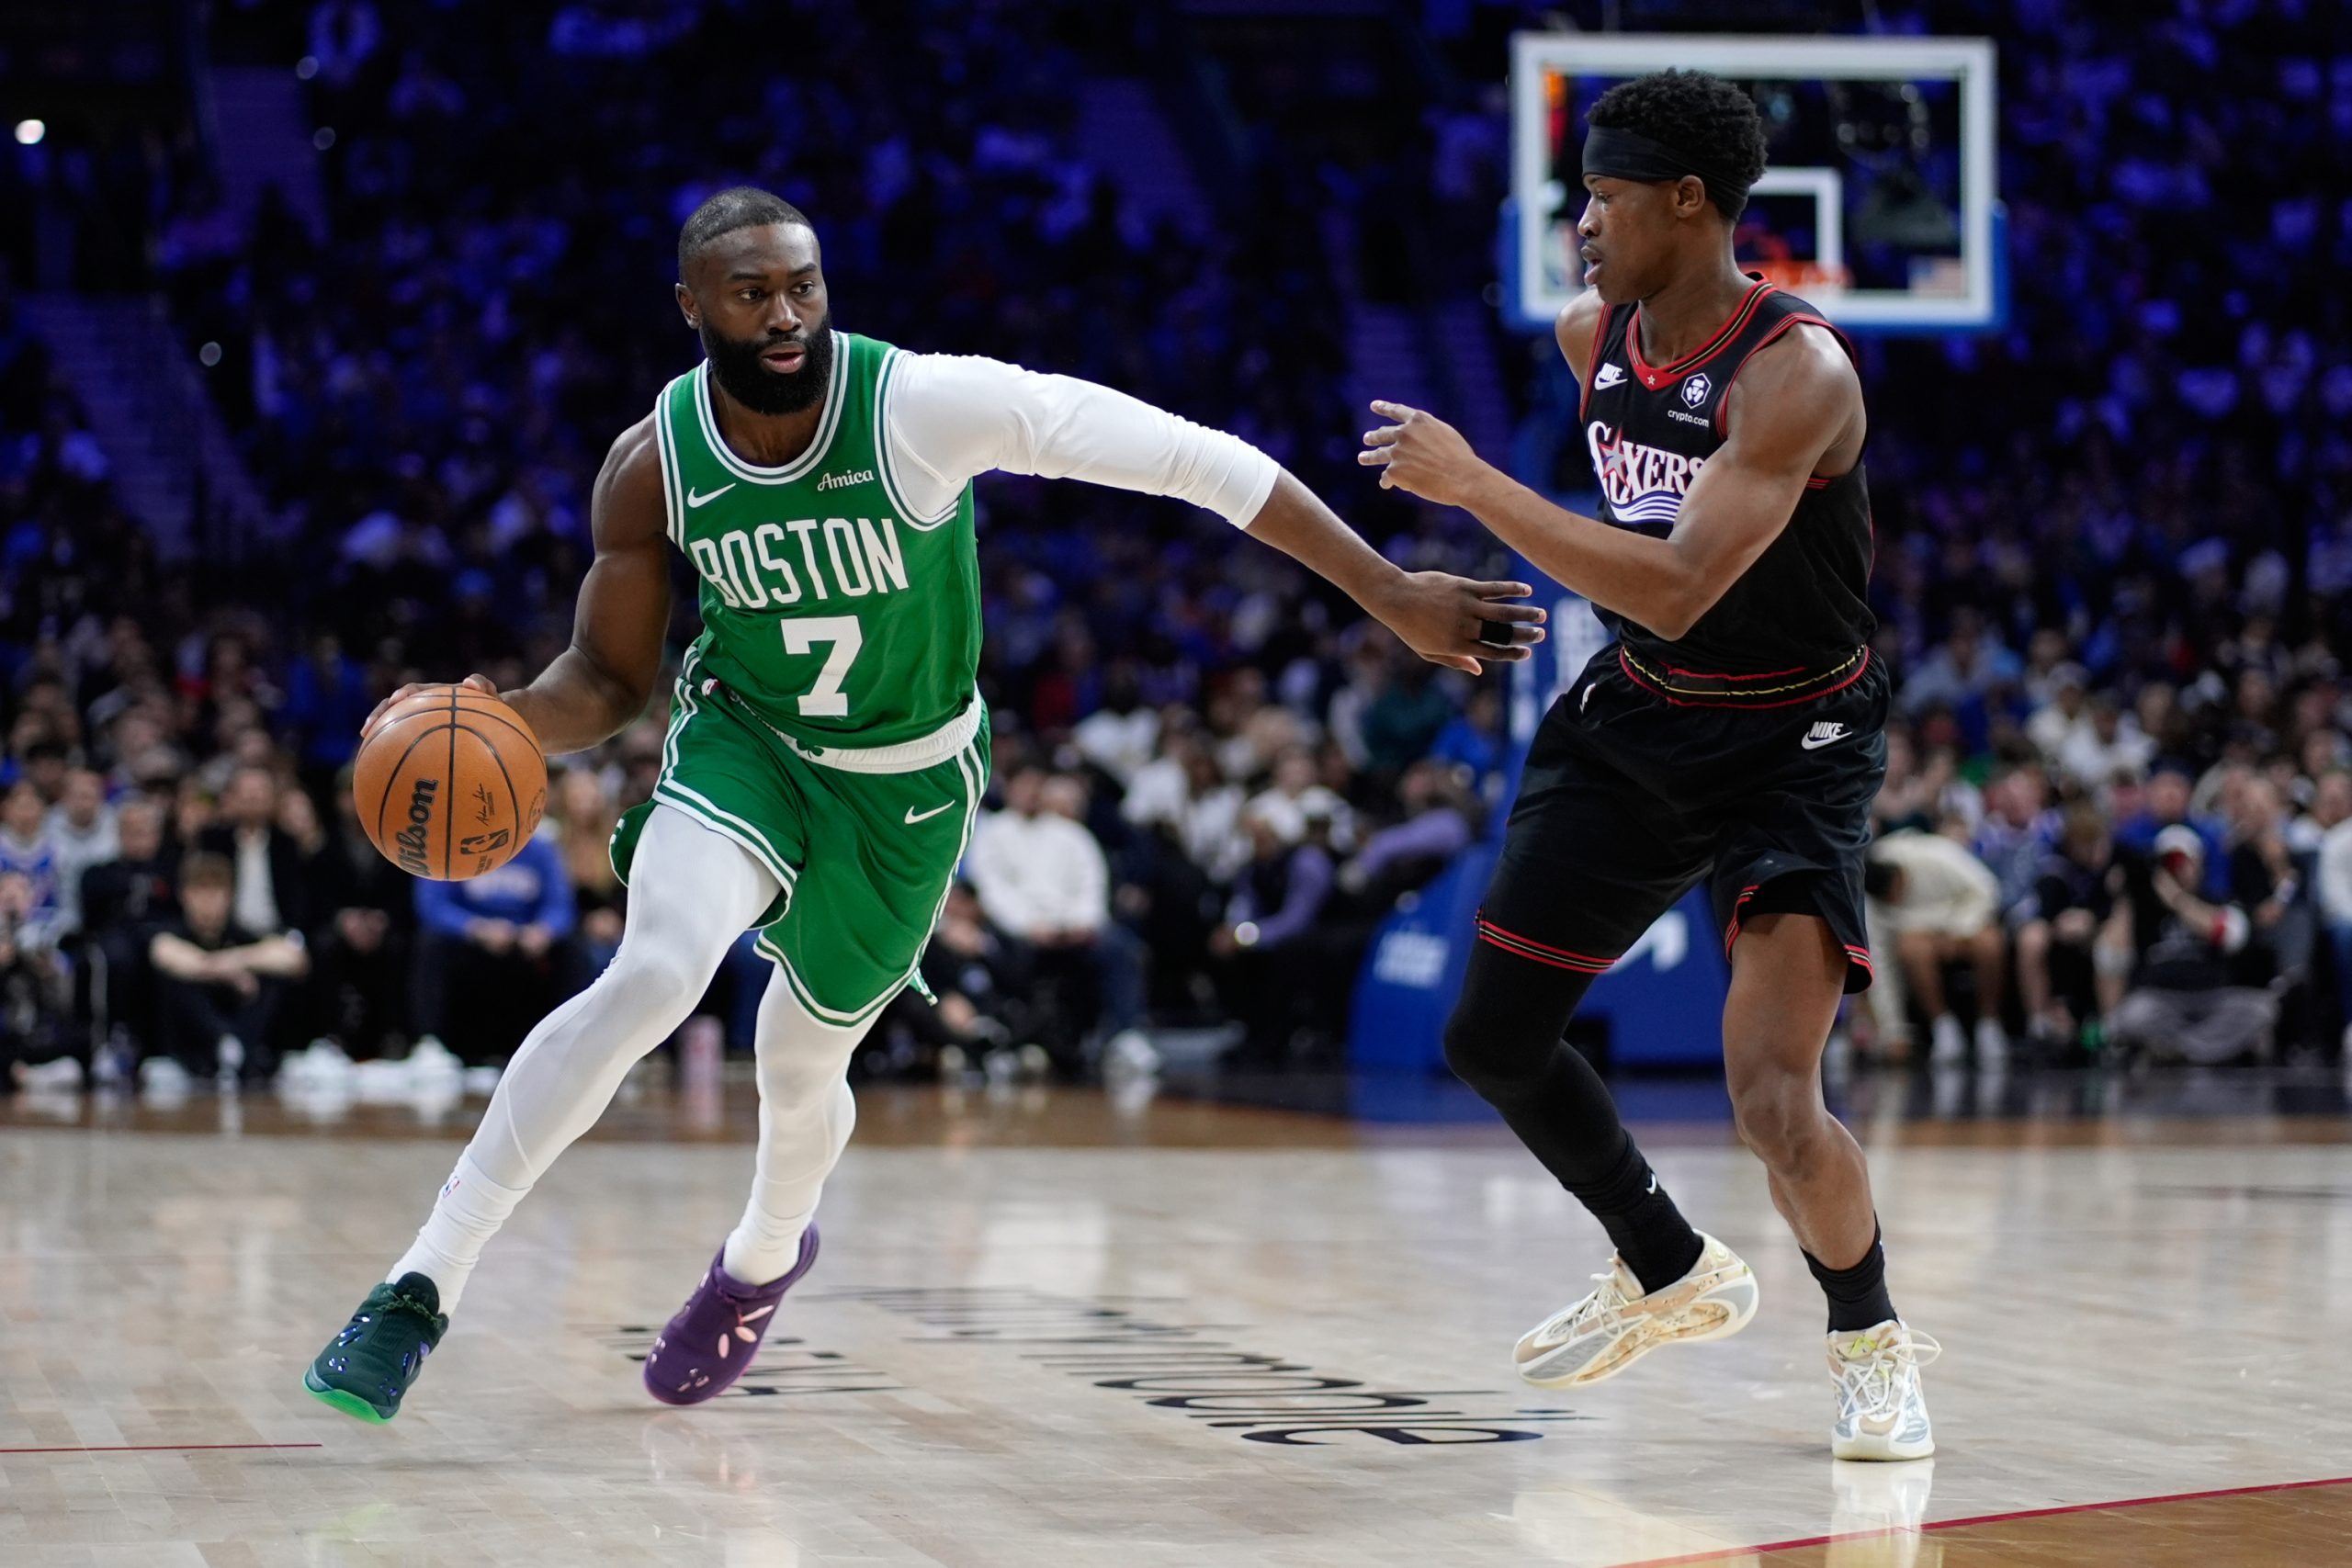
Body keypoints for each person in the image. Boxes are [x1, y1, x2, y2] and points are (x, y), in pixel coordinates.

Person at [302, 186, 1544, 1422]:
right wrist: (509, 718)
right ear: (692, 307)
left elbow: (1191, 461)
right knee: (655, 971)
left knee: (799, 1060)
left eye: (804, 284)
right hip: (748, 739)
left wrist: (1386, 588)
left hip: (904, 783)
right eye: (752, 292)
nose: (787, 313)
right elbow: (614, 678)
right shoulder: (653, 463)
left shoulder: (921, 406)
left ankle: (760, 1257)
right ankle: (424, 1279)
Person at [1357, 71, 1936, 1459]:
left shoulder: (1799, 372)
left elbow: (1677, 582)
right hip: (1639, 712)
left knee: (1771, 1096)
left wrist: (1480, 488)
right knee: (1489, 1036)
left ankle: (1870, 1336)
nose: (1582, 224)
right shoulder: (1588, 334)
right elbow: (1651, 608)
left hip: (1793, 738)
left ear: (1690, 200)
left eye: (1605, 197)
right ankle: (1669, 1264)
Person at [146, 852, 310, 1090]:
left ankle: (241, 1049)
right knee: (180, 981)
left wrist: (237, 960)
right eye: (199, 891)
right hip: (190, 1045)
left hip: (243, 1028)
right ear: (184, 895)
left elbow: (294, 958)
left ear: (230, 895)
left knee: (272, 978)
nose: (208, 901)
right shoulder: (172, 932)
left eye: (216, 891)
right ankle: (222, 1043)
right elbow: (165, 955)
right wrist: (223, 972)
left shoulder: (240, 934)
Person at [1863, 829, 2011, 1068]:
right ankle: (1943, 1028)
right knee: (1911, 949)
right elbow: (1879, 963)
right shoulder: (1872, 901)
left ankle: (1990, 1024)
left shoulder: (1937, 855)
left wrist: (1957, 931)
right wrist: (1894, 1031)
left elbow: (1987, 890)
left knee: (1989, 943)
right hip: (1920, 937)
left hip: (1965, 923)